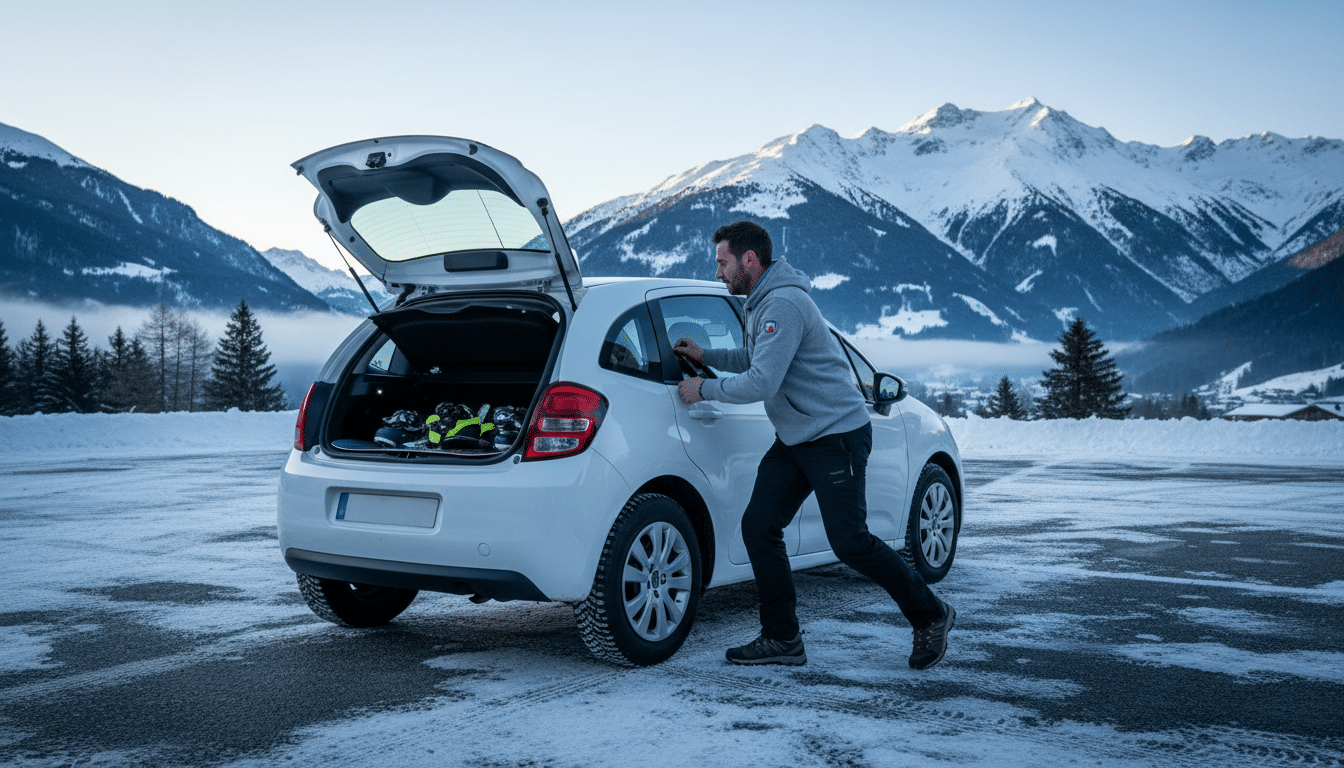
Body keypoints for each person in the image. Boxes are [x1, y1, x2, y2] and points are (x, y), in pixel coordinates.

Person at [675, 220, 955, 670]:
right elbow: (758, 359)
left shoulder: (783, 303)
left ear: (750, 260)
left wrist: (703, 390)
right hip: (797, 437)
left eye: (723, 263)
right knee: (760, 527)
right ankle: (782, 639)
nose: (718, 273)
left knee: (851, 542)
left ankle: (932, 612)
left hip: (835, 436)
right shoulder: (762, 301)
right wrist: (707, 358)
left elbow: (762, 381)